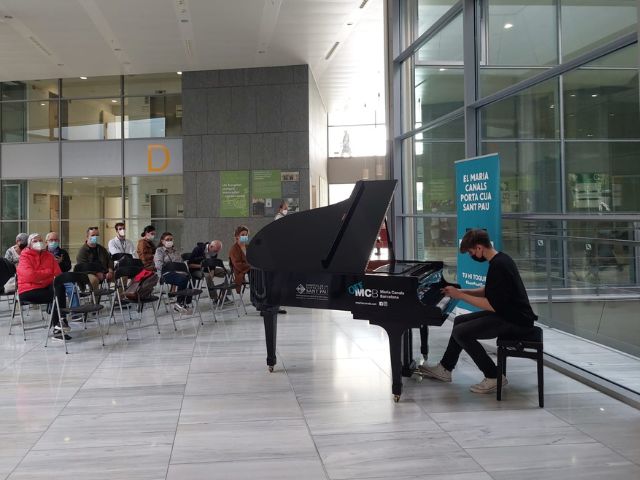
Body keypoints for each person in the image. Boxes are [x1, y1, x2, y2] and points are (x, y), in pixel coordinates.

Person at [418, 229, 538, 394]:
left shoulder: (499, 265)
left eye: (471, 251)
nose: (471, 255)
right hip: (510, 314)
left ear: (480, 247)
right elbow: (488, 290)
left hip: (516, 321)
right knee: (460, 322)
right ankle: (445, 368)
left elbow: (492, 305)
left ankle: (494, 376)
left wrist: (460, 295)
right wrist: (462, 291)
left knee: (461, 332)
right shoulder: (500, 259)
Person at [17, 233, 70, 341]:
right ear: (29, 244)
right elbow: (29, 275)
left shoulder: (49, 256)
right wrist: (47, 273)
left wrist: (40, 276)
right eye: (35, 241)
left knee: (59, 286)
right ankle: (59, 323)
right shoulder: (24, 256)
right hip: (29, 290)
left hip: (45, 287)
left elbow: (58, 275)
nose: (38, 243)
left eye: (40, 240)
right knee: (57, 295)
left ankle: (60, 323)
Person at [154, 232, 192, 314]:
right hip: (166, 274)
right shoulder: (159, 251)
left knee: (188, 278)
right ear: (162, 241)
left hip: (179, 273)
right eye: (167, 239)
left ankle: (184, 302)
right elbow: (158, 265)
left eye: (171, 239)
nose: (169, 241)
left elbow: (181, 263)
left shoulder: (176, 251)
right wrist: (171, 267)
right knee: (183, 279)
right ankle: (179, 303)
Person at [76, 226, 114, 290]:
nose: (95, 237)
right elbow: (82, 267)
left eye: (97, 235)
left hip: (104, 272)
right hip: (88, 274)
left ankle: (119, 298)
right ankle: (94, 299)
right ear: (87, 237)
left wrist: (110, 270)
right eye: (93, 235)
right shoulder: (82, 251)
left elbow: (109, 260)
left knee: (121, 276)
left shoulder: (102, 249)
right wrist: (96, 273)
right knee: (94, 280)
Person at [229, 225, 251, 295]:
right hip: (240, 270)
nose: (245, 236)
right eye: (243, 235)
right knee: (255, 272)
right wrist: (251, 266)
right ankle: (256, 293)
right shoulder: (234, 249)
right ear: (237, 236)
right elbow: (237, 264)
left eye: (246, 234)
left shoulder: (248, 247)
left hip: (250, 267)